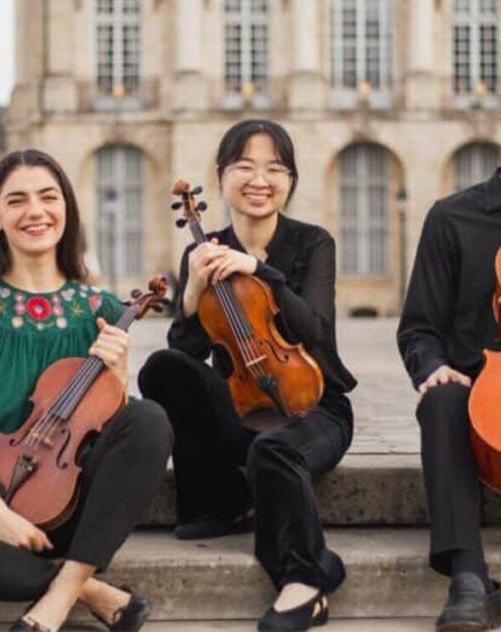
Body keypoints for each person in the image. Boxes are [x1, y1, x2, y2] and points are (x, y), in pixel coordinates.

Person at [0, 149, 172, 632]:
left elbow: (110, 429)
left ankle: (59, 596)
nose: (36, 211)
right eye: (18, 200)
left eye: (48, 197)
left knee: (149, 419)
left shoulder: (95, 306)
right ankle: (93, 589)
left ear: (67, 209)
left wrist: (117, 376)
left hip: (71, 501)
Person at [139, 119, 356, 632]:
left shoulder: (312, 243)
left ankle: (306, 580)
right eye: (245, 167)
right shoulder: (202, 249)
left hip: (313, 404)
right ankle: (221, 501)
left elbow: (317, 330)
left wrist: (260, 271)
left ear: (290, 180)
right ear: (221, 176)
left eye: (275, 168)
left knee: (273, 449)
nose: (260, 180)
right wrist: (190, 293)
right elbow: (187, 354)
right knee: (162, 368)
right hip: (244, 405)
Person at [397, 65, 501, 632]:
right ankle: (469, 577)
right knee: (439, 401)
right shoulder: (453, 217)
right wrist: (434, 368)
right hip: (481, 397)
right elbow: (418, 327)